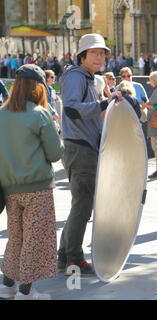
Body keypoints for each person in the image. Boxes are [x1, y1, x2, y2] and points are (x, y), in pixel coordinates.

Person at [57, 34, 123, 276]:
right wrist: (105, 104)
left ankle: (65, 256)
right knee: (82, 207)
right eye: (94, 52)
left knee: (80, 206)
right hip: (80, 148)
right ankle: (74, 259)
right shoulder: (76, 76)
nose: (100, 56)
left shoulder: (87, 77)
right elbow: (73, 109)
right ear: (82, 55)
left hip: (84, 147)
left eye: (102, 52)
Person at [0, 64, 64, 299]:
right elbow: (55, 154)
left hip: (9, 188)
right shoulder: (39, 113)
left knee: (16, 237)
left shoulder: (1, 113)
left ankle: (8, 285)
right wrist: (58, 133)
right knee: (35, 239)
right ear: (37, 87)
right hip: (37, 188)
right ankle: (26, 292)